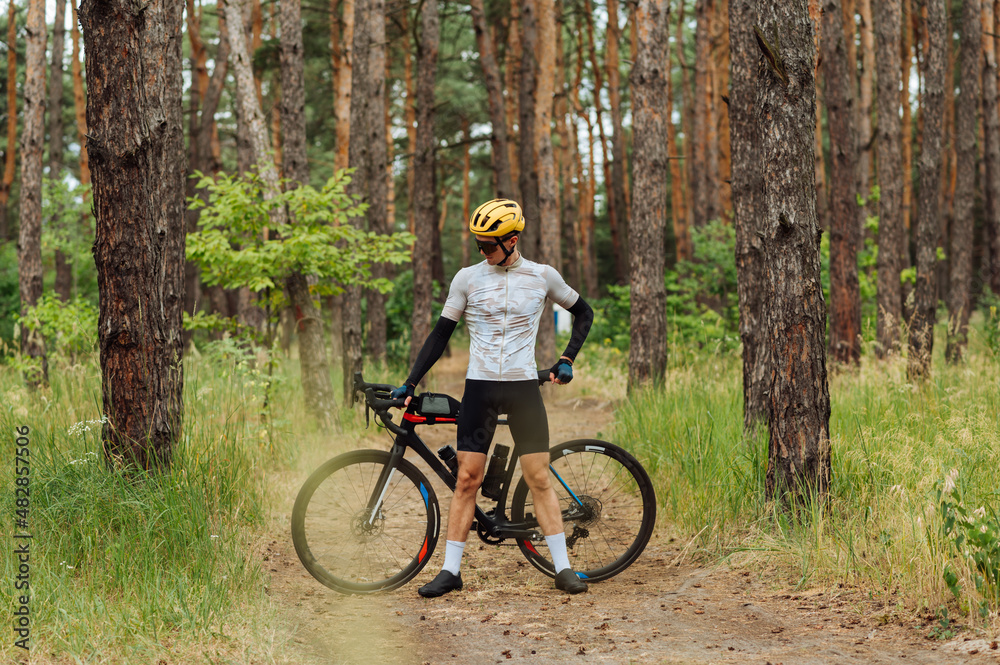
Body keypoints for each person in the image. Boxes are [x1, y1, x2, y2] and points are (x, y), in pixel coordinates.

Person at [391, 198, 595, 598]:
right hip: (479, 388)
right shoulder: (467, 279)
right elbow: (440, 335)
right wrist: (409, 383)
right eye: (478, 245)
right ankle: (450, 571)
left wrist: (567, 358)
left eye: (488, 245)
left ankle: (564, 569)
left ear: (512, 240)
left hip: (523, 389)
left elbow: (585, 312)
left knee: (538, 477)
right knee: (467, 480)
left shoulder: (542, 276)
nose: (481, 252)